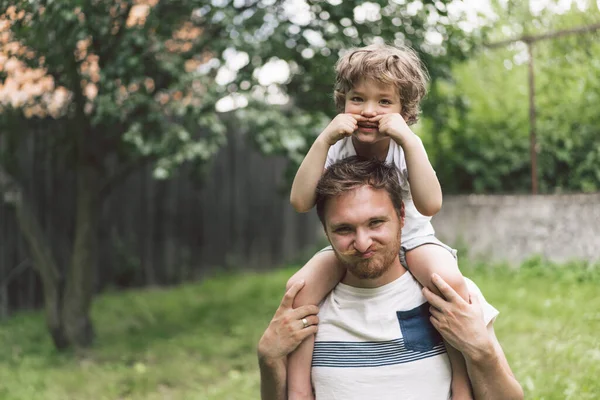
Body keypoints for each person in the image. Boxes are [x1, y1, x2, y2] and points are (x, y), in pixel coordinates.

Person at [287, 43, 471, 399]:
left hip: (414, 240)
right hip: (351, 242)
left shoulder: (405, 145)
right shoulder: (335, 146)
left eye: (384, 101)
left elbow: (431, 205)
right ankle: (298, 387)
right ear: (342, 102)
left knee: (449, 281)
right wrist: (324, 137)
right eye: (358, 99)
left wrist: (409, 139)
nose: (369, 111)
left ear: (405, 110)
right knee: (300, 290)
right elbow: (300, 202)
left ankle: (461, 382)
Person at [258, 157, 523, 400]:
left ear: (401, 216)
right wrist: (268, 359)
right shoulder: (307, 309)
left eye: (375, 223)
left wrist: (481, 351)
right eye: (344, 229)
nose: (362, 244)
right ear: (327, 233)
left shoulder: (449, 297)